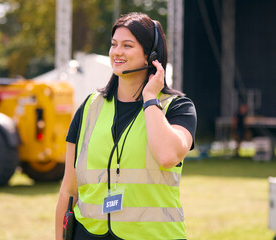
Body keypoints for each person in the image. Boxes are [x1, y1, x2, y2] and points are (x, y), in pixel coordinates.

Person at [55, 12, 197, 240]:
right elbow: (69, 190)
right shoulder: (89, 108)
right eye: (114, 44)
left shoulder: (178, 108)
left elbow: (167, 156)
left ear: (150, 56)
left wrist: (150, 98)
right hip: (88, 234)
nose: (117, 52)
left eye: (128, 45)